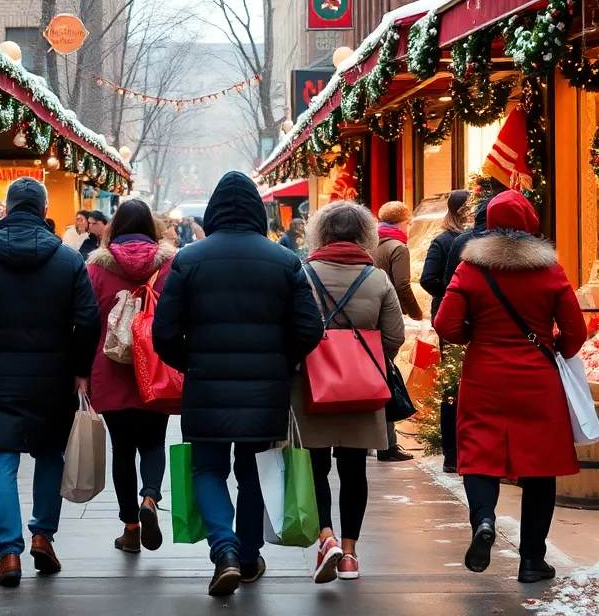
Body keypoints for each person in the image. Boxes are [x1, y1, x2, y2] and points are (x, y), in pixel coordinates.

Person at [154, 171, 324, 597]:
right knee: (254, 472)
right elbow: (310, 329)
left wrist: (192, 363)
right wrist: (280, 361)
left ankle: (224, 549)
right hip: (265, 389)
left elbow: (164, 333)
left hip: (206, 387)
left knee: (207, 469)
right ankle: (248, 557)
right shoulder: (284, 260)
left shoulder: (189, 260)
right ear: (256, 212)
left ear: (212, 212)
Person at [0, 178, 100, 588]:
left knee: (1, 458)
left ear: (7, 210)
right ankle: (43, 535)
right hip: (53, 377)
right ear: (44, 210)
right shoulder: (68, 260)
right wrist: (80, 369)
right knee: (49, 454)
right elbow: (88, 320)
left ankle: (8, 552)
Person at [433, 190, 587, 584]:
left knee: (479, 455)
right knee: (540, 466)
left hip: (484, 377)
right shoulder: (550, 270)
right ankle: (532, 560)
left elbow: (446, 325)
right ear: (531, 225)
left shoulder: (470, 268)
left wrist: (476, 337)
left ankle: (484, 520)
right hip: (538, 379)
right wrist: (555, 347)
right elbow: (576, 331)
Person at [295, 201, 405, 584]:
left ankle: (325, 537)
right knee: (354, 469)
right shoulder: (377, 279)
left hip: (311, 385)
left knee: (315, 467)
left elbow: (290, 330)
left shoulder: (303, 274)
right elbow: (395, 337)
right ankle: (351, 555)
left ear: (321, 233)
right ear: (364, 234)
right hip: (363, 388)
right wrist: (365, 360)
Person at [86, 199, 176, 554]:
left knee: (122, 449)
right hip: (155, 366)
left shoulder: (96, 269)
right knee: (154, 442)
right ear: (152, 227)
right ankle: (150, 497)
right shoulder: (169, 266)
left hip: (111, 369)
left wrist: (81, 372)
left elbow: (86, 322)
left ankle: (131, 528)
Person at [420, 189, 470, 474]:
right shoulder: (445, 240)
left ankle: (454, 454)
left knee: (455, 384)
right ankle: (452, 452)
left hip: (454, 318)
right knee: (454, 385)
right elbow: (428, 279)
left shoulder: (453, 239)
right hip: (453, 319)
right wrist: (454, 293)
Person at [372, 201, 422, 462]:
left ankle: (372, 440)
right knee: (388, 379)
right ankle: (388, 444)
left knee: (373, 378)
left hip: (369, 318)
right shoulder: (398, 247)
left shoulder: (371, 242)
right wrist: (416, 312)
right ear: (403, 222)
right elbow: (402, 285)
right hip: (388, 316)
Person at [420, 190, 470, 319]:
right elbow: (428, 280)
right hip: (454, 309)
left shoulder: (442, 240)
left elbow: (428, 279)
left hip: (446, 309)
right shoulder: (444, 241)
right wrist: (451, 292)